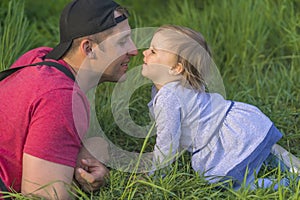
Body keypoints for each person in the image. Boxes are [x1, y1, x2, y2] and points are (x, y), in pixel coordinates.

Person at [0, 0, 138, 199]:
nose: (134, 50)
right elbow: (43, 196)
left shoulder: (39, 58)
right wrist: (82, 182)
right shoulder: (60, 96)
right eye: (122, 42)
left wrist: (88, 148)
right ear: (89, 49)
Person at [141, 25, 299, 190]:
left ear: (176, 68)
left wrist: (157, 175)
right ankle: (284, 164)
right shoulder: (184, 84)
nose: (144, 53)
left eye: (153, 51)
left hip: (223, 141)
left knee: (235, 185)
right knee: (260, 154)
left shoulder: (168, 97)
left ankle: (285, 184)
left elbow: (168, 141)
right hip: (241, 123)